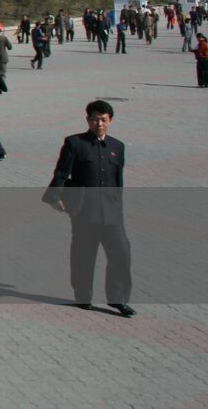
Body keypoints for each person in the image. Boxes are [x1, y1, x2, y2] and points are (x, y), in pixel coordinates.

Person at [42, 100, 133, 317]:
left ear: (110, 121)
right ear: (87, 120)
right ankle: (83, 296)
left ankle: (118, 299)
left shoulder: (117, 147)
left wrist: (118, 204)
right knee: (83, 255)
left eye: (103, 119)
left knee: (122, 253)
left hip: (112, 213)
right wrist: (54, 197)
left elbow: (118, 179)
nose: (99, 123)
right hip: (84, 211)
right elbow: (62, 172)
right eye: (94, 119)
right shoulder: (75, 143)